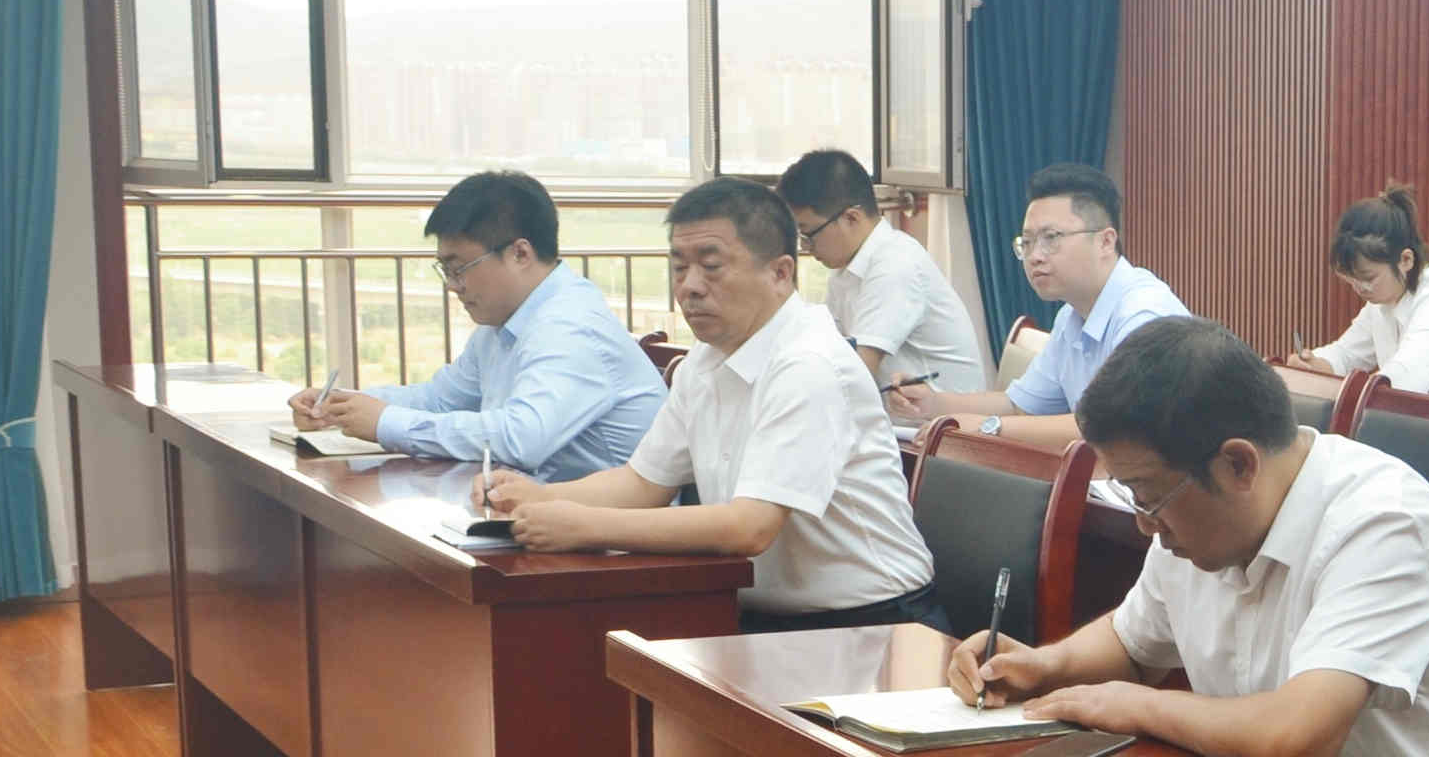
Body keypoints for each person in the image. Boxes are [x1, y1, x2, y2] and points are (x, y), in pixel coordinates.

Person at [940, 318, 1429, 757]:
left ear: (1237, 464)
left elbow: (1297, 736)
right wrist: (1044, 666)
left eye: (1147, 495)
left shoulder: (1380, 520)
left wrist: (1137, 707)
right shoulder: (1194, 521)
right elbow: (1132, 643)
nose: (1145, 524)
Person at [482, 178, 934, 631]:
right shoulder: (705, 359)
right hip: (754, 614)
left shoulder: (809, 365)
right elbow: (643, 483)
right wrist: (538, 498)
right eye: (679, 268)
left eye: (711, 267)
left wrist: (583, 526)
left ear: (780, 273)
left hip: (873, 625)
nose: (690, 287)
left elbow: (749, 527)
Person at [285, 169, 661, 474]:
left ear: (520, 254)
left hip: (615, 534)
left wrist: (386, 422)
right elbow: (441, 399)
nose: (452, 285)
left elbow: (520, 439)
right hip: (545, 511)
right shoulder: (504, 323)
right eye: (445, 270)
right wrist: (341, 405)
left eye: (459, 268)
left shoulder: (570, 325)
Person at [893, 164, 1189, 451]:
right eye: (1027, 242)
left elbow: (1113, 429)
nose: (1035, 256)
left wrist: (987, 427)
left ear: (1105, 242)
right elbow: (1021, 406)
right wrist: (934, 404)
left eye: (1051, 238)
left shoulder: (1144, 315)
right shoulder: (1071, 315)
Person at [786, 150, 986, 410]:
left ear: (851, 218)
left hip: (940, 427)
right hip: (900, 422)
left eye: (808, 234)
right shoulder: (846, 267)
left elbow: (856, 374)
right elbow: (832, 353)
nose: (806, 247)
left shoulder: (895, 265)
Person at [1291, 185, 1429, 401]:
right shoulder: (1384, 299)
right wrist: (1313, 366)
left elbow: (1401, 383)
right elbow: (1347, 355)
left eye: (1368, 278)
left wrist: (1329, 387)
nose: (1359, 288)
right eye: (1351, 279)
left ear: (1405, 260)